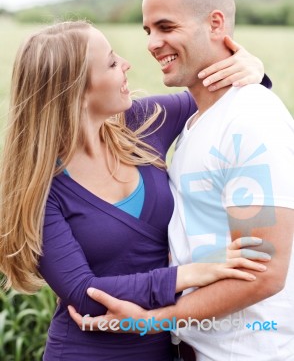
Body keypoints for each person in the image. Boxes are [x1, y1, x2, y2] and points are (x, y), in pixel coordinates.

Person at [0, 21, 270, 360]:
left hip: (161, 345)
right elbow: (85, 292)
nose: (127, 64)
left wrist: (253, 69)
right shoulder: (42, 188)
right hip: (84, 351)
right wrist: (192, 273)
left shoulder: (141, 123)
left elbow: (219, 95)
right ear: (77, 91)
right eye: (112, 62)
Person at [69, 0, 294, 361]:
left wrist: (153, 319)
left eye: (166, 26)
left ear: (215, 23)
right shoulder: (193, 123)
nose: (153, 44)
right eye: (147, 31)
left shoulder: (250, 120)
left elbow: (263, 274)